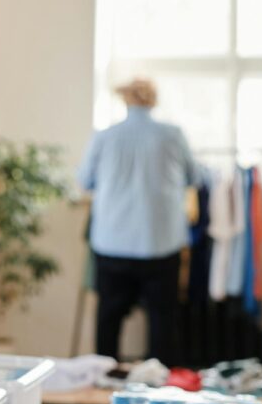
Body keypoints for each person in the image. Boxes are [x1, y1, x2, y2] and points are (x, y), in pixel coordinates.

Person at [77, 77, 201, 364]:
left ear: (125, 100)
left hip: (112, 241)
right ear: (153, 100)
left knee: (109, 318)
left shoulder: (105, 136)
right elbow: (193, 178)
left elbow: (84, 180)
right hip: (160, 242)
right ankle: (160, 389)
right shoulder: (173, 135)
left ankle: (104, 382)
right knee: (162, 321)